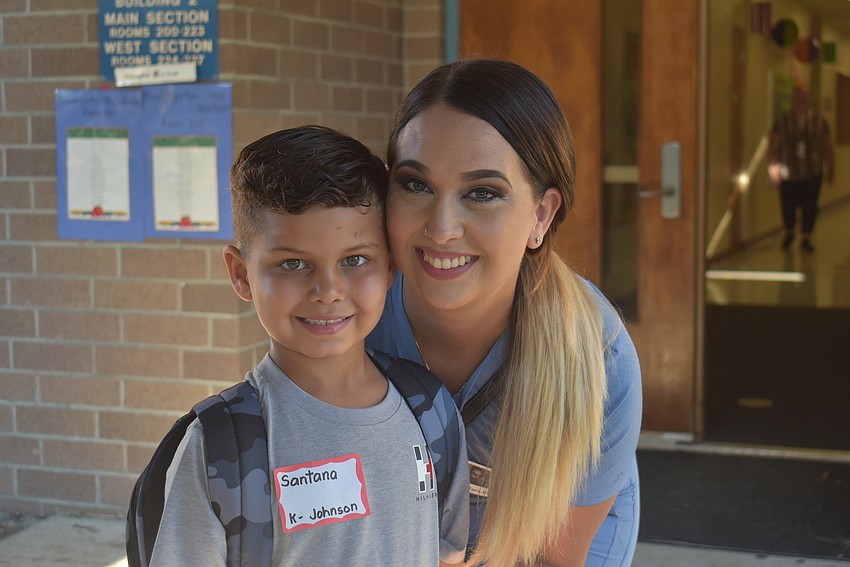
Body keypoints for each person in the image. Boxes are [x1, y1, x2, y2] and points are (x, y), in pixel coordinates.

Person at [149, 126, 469, 566]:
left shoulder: (431, 413)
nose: (328, 290)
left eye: (354, 260)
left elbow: (448, 557)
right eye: (293, 263)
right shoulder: (218, 448)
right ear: (241, 274)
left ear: (390, 267)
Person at [366, 59, 643, 566]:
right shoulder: (352, 316)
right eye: (415, 184)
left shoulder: (599, 359)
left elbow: (556, 559)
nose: (443, 227)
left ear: (541, 214)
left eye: (484, 193)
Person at [767, 85, 835, 252]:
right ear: (793, 98)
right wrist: (772, 168)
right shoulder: (782, 121)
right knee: (787, 205)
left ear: (810, 98)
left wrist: (831, 167)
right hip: (789, 172)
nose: (802, 99)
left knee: (810, 206)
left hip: (813, 172)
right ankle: (789, 232)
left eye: (806, 96)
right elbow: (774, 146)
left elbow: (827, 146)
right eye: (799, 96)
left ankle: (806, 237)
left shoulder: (820, 122)